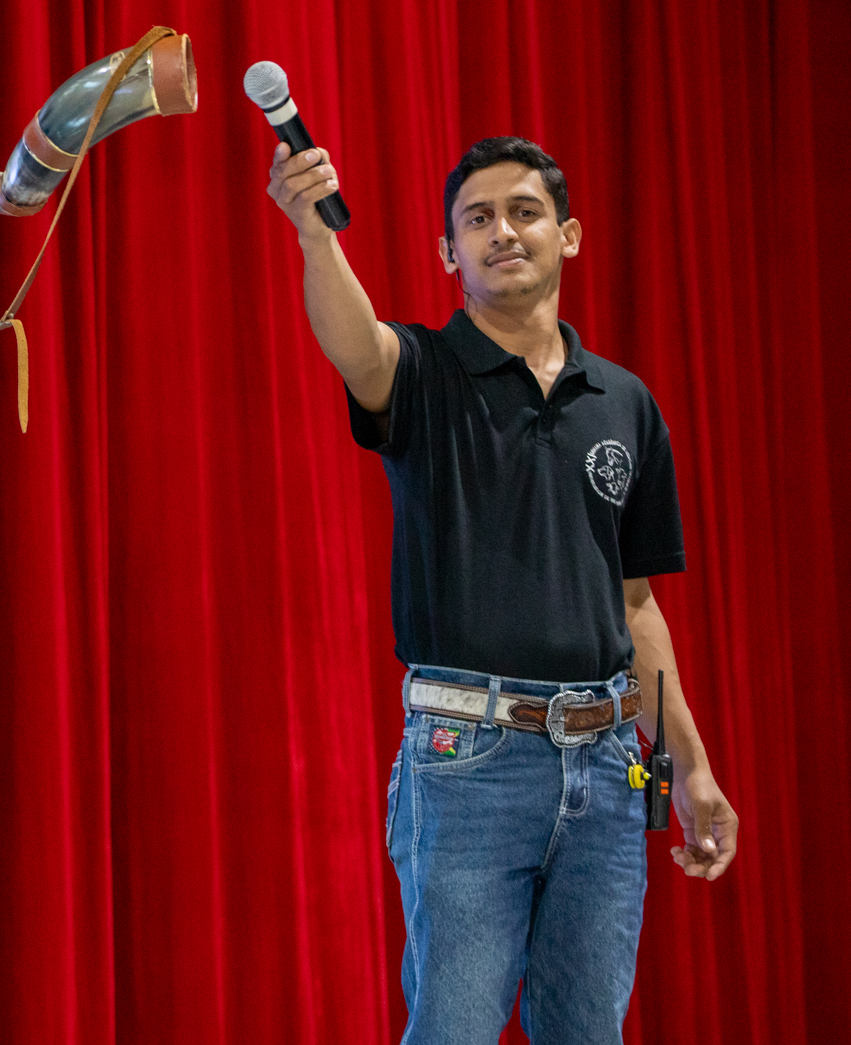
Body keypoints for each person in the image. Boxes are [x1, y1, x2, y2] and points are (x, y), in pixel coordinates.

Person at [264, 136, 739, 1043]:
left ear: (569, 235)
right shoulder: (421, 370)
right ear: (449, 253)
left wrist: (687, 764)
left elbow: (634, 604)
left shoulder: (624, 402)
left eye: (523, 212)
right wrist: (313, 233)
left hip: (610, 765)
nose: (502, 232)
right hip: (467, 760)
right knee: (453, 1028)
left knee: (588, 1031)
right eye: (476, 220)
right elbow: (354, 347)